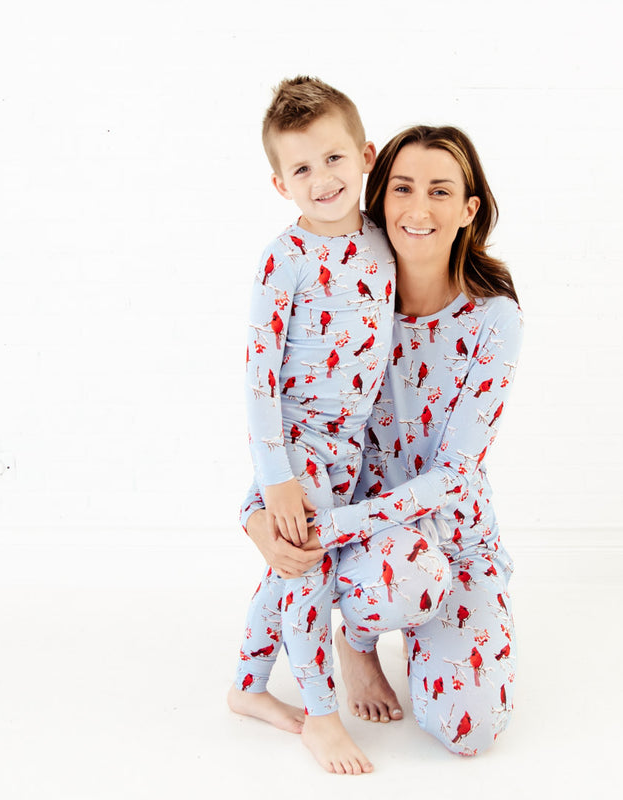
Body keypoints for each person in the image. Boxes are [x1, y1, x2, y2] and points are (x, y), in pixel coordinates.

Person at [238, 124, 523, 763]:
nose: (418, 208)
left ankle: (417, 630)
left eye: (440, 191)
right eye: (402, 188)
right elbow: (295, 416)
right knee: (405, 579)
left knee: (470, 731)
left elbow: (454, 475)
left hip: (447, 531)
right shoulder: (344, 289)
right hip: (370, 540)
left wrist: (325, 528)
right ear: (379, 194)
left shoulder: (495, 317)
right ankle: (360, 642)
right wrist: (259, 512)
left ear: (468, 209)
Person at [227, 75, 396, 775]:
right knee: (309, 574)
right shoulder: (285, 259)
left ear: (365, 155)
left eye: (333, 158)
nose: (322, 179)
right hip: (299, 448)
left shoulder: (383, 240)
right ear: (280, 184)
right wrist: (277, 480)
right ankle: (320, 716)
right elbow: (258, 378)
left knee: (287, 567)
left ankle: (247, 686)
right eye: (302, 169)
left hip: (352, 446)